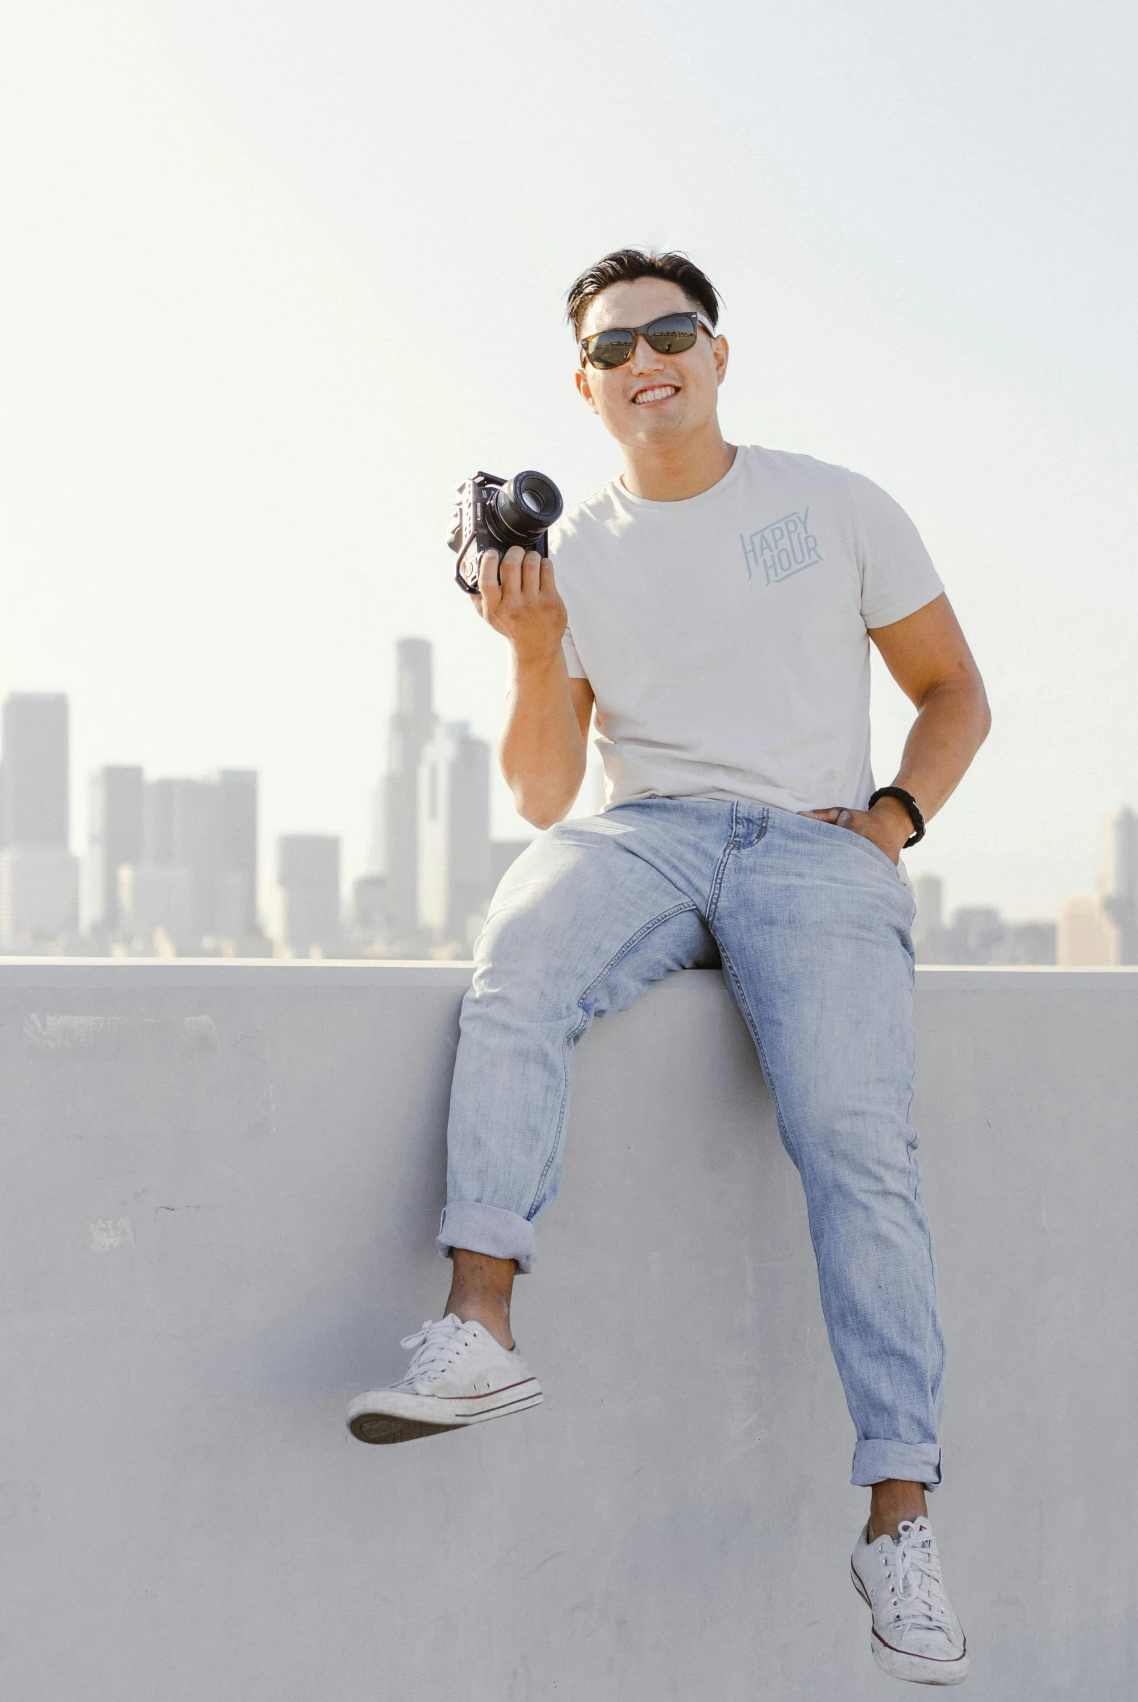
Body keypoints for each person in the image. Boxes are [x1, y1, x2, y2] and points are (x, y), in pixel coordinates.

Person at [346, 248, 991, 1686]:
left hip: (812, 846)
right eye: (616, 343)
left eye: (672, 330)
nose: (649, 356)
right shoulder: (572, 556)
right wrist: (528, 652)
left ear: (715, 351)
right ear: (585, 386)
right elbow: (536, 791)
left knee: (854, 1149)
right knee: (516, 957)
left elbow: (954, 692)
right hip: (641, 836)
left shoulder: (830, 504)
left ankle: (898, 1519)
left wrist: (890, 819)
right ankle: (477, 1323)